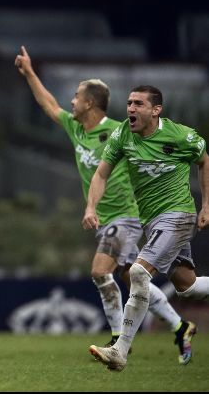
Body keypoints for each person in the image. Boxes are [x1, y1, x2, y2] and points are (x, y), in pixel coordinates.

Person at [14, 47, 194, 361]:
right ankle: (180, 326)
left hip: (126, 215)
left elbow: (157, 148)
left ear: (89, 102)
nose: (71, 102)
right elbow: (49, 105)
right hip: (106, 217)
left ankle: (117, 339)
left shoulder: (119, 131)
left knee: (100, 271)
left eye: (76, 96)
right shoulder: (76, 128)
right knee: (130, 278)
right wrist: (29, 73)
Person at [83, 85, 209, 371]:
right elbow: (101, 173)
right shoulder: (123, 135)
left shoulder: (180, 135)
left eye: (138, 104)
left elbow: (204, 161)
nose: (130, 109)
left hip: (177, 215)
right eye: (129, 103)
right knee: (186, 285)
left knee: (138, 272)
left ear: (156, 110)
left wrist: (206, 206)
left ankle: (120, 351)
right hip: (152, 221)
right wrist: (91, 207)